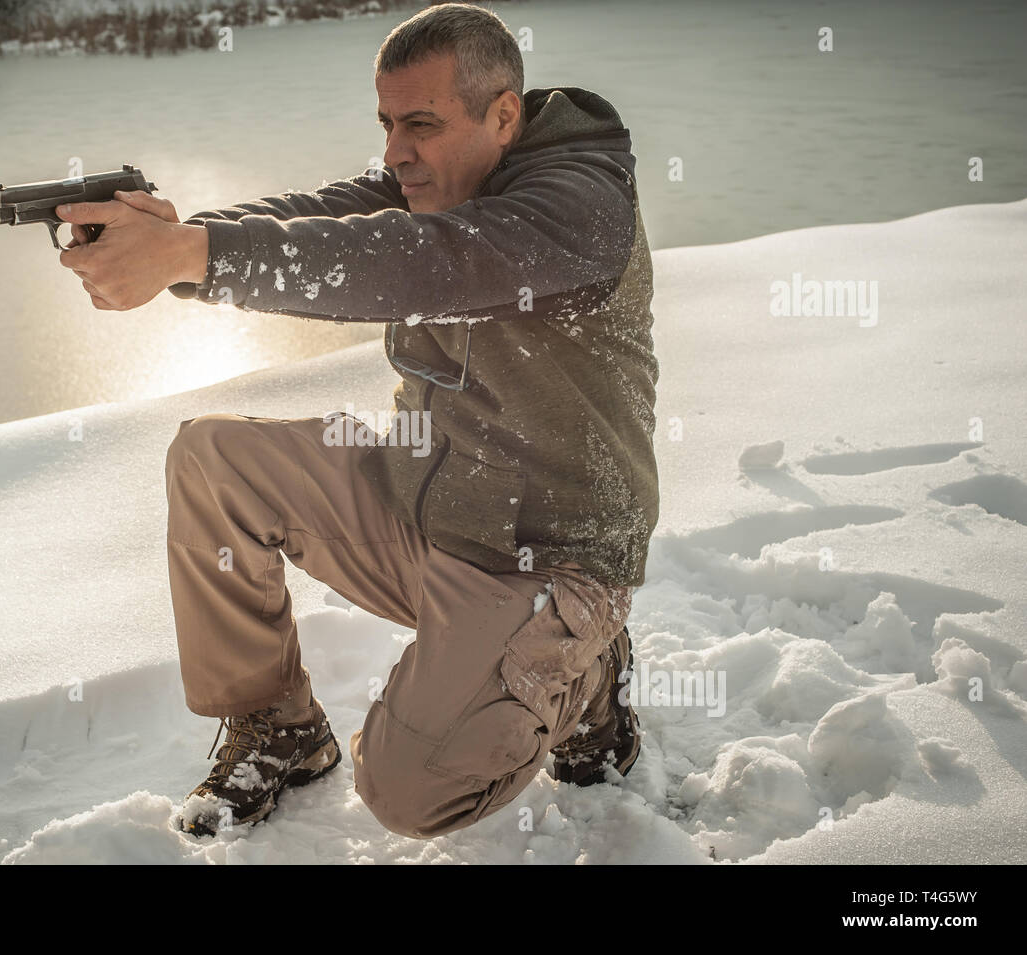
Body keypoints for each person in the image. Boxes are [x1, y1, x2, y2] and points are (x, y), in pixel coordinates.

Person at [55, 3, 659, 840]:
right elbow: (331, 216)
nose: (394, 151)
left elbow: (415, 261)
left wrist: (193, 257)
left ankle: (584, 676)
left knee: (406, 793)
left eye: (420, 123)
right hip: (429, 497)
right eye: (385, 123)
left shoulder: (575, 210)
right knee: (213, 460)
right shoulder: (438, 178)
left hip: (547, 558)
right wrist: (181, 240)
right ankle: (281, 729)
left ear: (505, 115)